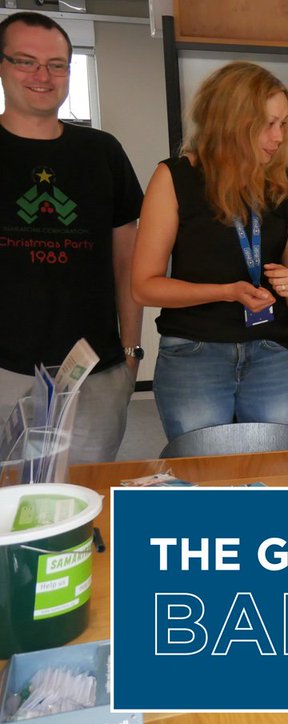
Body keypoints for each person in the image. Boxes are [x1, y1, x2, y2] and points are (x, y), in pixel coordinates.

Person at [131, 62, 288, 442]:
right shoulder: (175, 177)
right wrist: (227, 291)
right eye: (267, 123)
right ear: (231, 120)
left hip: (271, 350)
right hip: (195, 351)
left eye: (283, 124)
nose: (278, 137)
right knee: (205, 476)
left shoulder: (286, 184)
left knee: (272, 474)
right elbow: (144, 287)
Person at [0, 12, 143, 464]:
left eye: (57, 64)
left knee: (81, 504)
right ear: (2, 66)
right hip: (3, 370)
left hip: (93, 373)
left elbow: (128, 260)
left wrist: (132, 352)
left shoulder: (102, 152)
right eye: (26, 61)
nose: (43, 76)